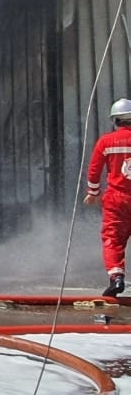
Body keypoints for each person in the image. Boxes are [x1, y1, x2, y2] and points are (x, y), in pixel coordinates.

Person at [84, 98, 131, 297]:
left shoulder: (106, 141)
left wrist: (93, 193)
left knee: (113, 239)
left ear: (115, 120)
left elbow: (94, 170)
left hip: (116, 200)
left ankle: (117, 278)